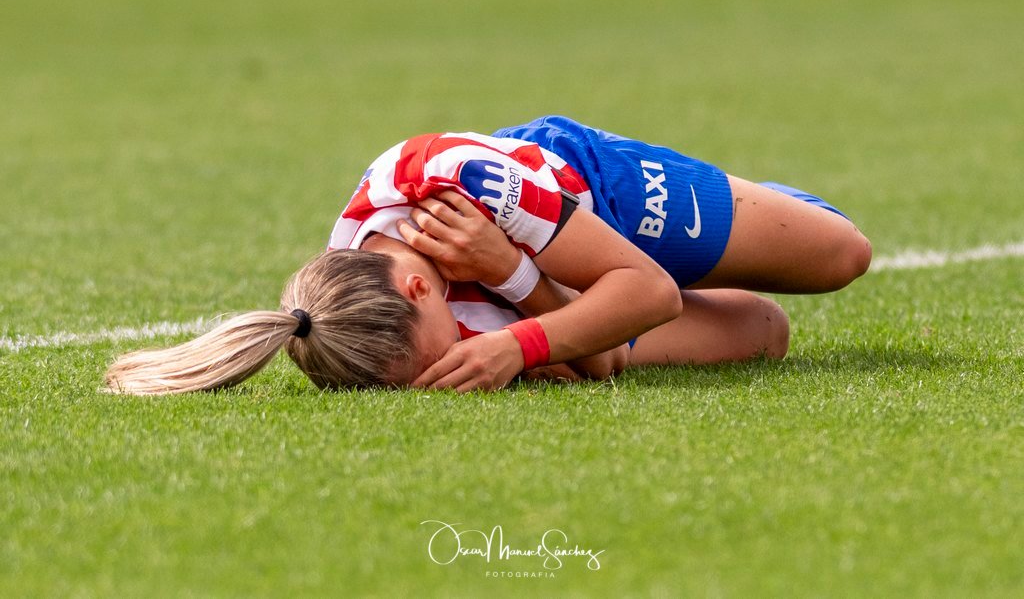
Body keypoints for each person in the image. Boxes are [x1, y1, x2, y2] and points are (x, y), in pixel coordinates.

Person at [105, 115, 871, 395]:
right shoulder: (365, 322)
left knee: (842, 255)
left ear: (418, 289)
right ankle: (739, 232)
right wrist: (517, 284)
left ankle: (756, 205)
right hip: (543, 275)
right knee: (765, 334)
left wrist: (520, 335)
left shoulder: (451, 178)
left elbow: (651, 294)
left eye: (434, 357)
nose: (448, 367)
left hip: (593, 196)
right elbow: (602, 359)